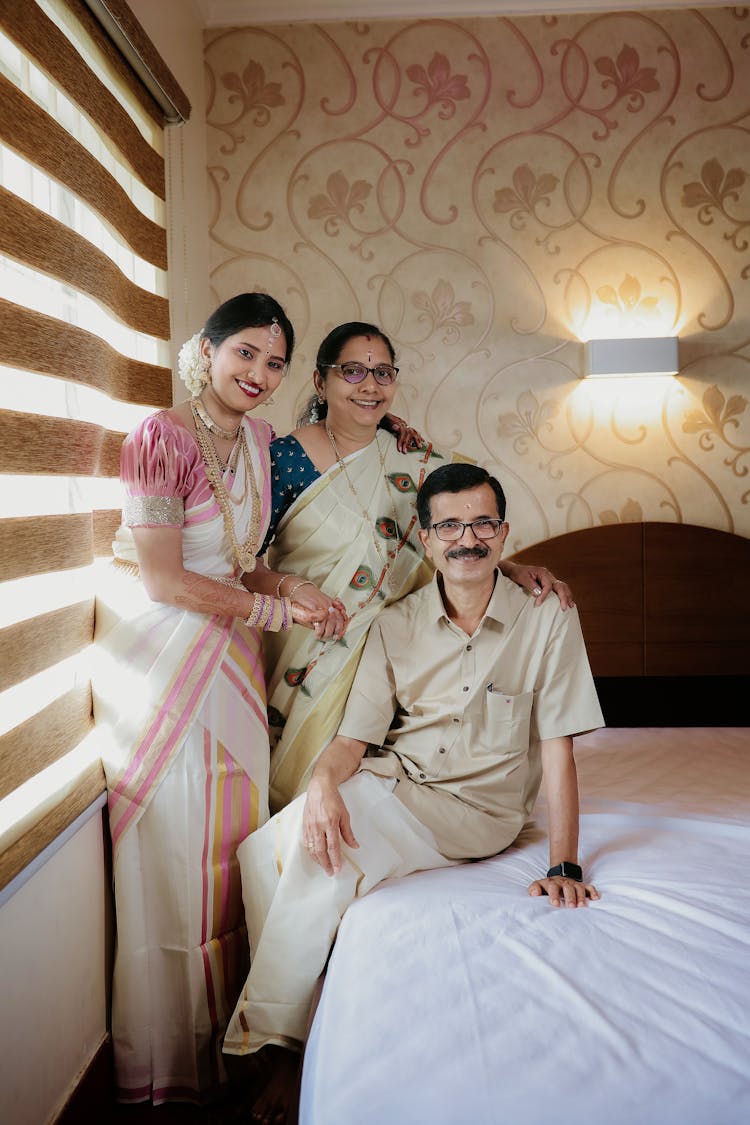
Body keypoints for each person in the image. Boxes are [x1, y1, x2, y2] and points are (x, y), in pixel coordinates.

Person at [223, 462, 604, 1124]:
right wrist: (320, 783)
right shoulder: (395, 624)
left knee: (322, 852)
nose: (468, 538)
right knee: (264, 848)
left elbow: (559, 747)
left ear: (504, 532)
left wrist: (565, 861)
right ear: (426, 538)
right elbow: (351, 743)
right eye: (449, 524)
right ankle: (300, 1021)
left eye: (483, 522)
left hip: (478, 812)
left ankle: (275, 1051)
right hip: (399, 782)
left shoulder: (547, 616)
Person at [92, 293, 347, 1106]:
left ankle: (231, 1045)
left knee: (232, 852)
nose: (259, 374)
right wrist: (271, 609)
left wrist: (292, 586)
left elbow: (244, 562)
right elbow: (164, 578)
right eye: (245, 352)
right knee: (176, 849)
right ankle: (174, 1064)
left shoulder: (263, 442)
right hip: (164, 665)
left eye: (274, 362)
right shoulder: (158, 438)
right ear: (205, 350)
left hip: (233, 658)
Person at [259, 321, 574, 812]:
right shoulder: (282, 459)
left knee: (358, 784)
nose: (370, 385)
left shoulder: (411, 458)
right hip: (304, 646)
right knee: (294, 790)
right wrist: (296, 589)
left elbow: (451, 534)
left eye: (383, 372)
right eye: (353, 371)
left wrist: (507, 567)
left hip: (383, 653)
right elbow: (242, 564)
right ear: (322, 382)